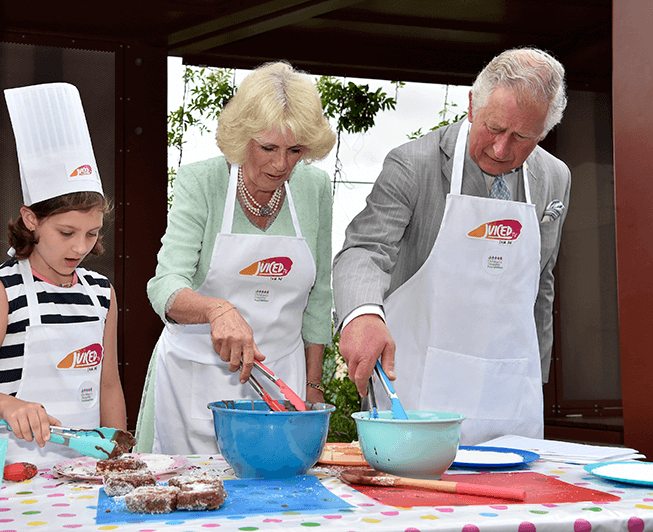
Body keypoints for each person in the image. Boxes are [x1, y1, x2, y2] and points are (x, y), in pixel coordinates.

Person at [333, 48, 571, 445]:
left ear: (543, 133)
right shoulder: (415, 164)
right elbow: (364, 249)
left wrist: (535, 377)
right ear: (473, 104)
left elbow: (540, 282)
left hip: (508, 392)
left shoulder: (554, 177)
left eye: (521, 137)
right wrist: (361, 315)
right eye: (494, 128)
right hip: (418, 384)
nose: (500, 148)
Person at [135, 61, 337, 454]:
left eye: (295, 150)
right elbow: (165, 287)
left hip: (282, 382)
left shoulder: (314, 189)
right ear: (242, 137)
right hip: (192, 382)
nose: (281, 164)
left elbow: (319, 296)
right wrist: (216, 310)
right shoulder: (202, 182)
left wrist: (313, 390)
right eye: (268, 148)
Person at [0, 83, 126, 462]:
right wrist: (7, 405)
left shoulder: (101, 293)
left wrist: (118, 455)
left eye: (92, 233)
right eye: (66, 233)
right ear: (31, 220)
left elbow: (108, 385)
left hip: (85, 468)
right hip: (14, 467)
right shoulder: (2, 289)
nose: (80, 247)